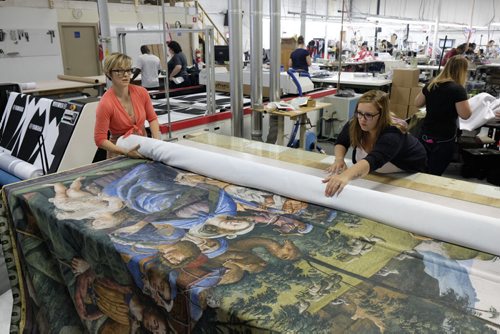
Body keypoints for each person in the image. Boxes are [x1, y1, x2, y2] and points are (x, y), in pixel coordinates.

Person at [323, 90, 427, 197]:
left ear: (381, 115)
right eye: (359, 113)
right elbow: (341, 141)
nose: (362, 119)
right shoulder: (356, 122)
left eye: (369, 115)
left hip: (407, 172)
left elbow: (374, 159)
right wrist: (339, 159)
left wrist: (345, 176)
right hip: (378, 171)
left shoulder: (393, 133)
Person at [94, 52, 160, 159]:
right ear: (109, 73)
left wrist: (156, 142)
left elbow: (152, 118)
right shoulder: (106, 103)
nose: (125, 74)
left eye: (128, 70)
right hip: (119, 152)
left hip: (142, 147)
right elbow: (100, 139)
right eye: (119, 71)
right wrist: (125, 152)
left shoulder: (141, 92)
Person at [414, 55, 472, 175]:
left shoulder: (431, 85)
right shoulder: (458, 90)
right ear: (463, 71)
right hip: (443, 139)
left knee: (419, 171)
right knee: (435, 173)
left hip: (425, 135)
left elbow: (417, 103)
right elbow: (465, 115)